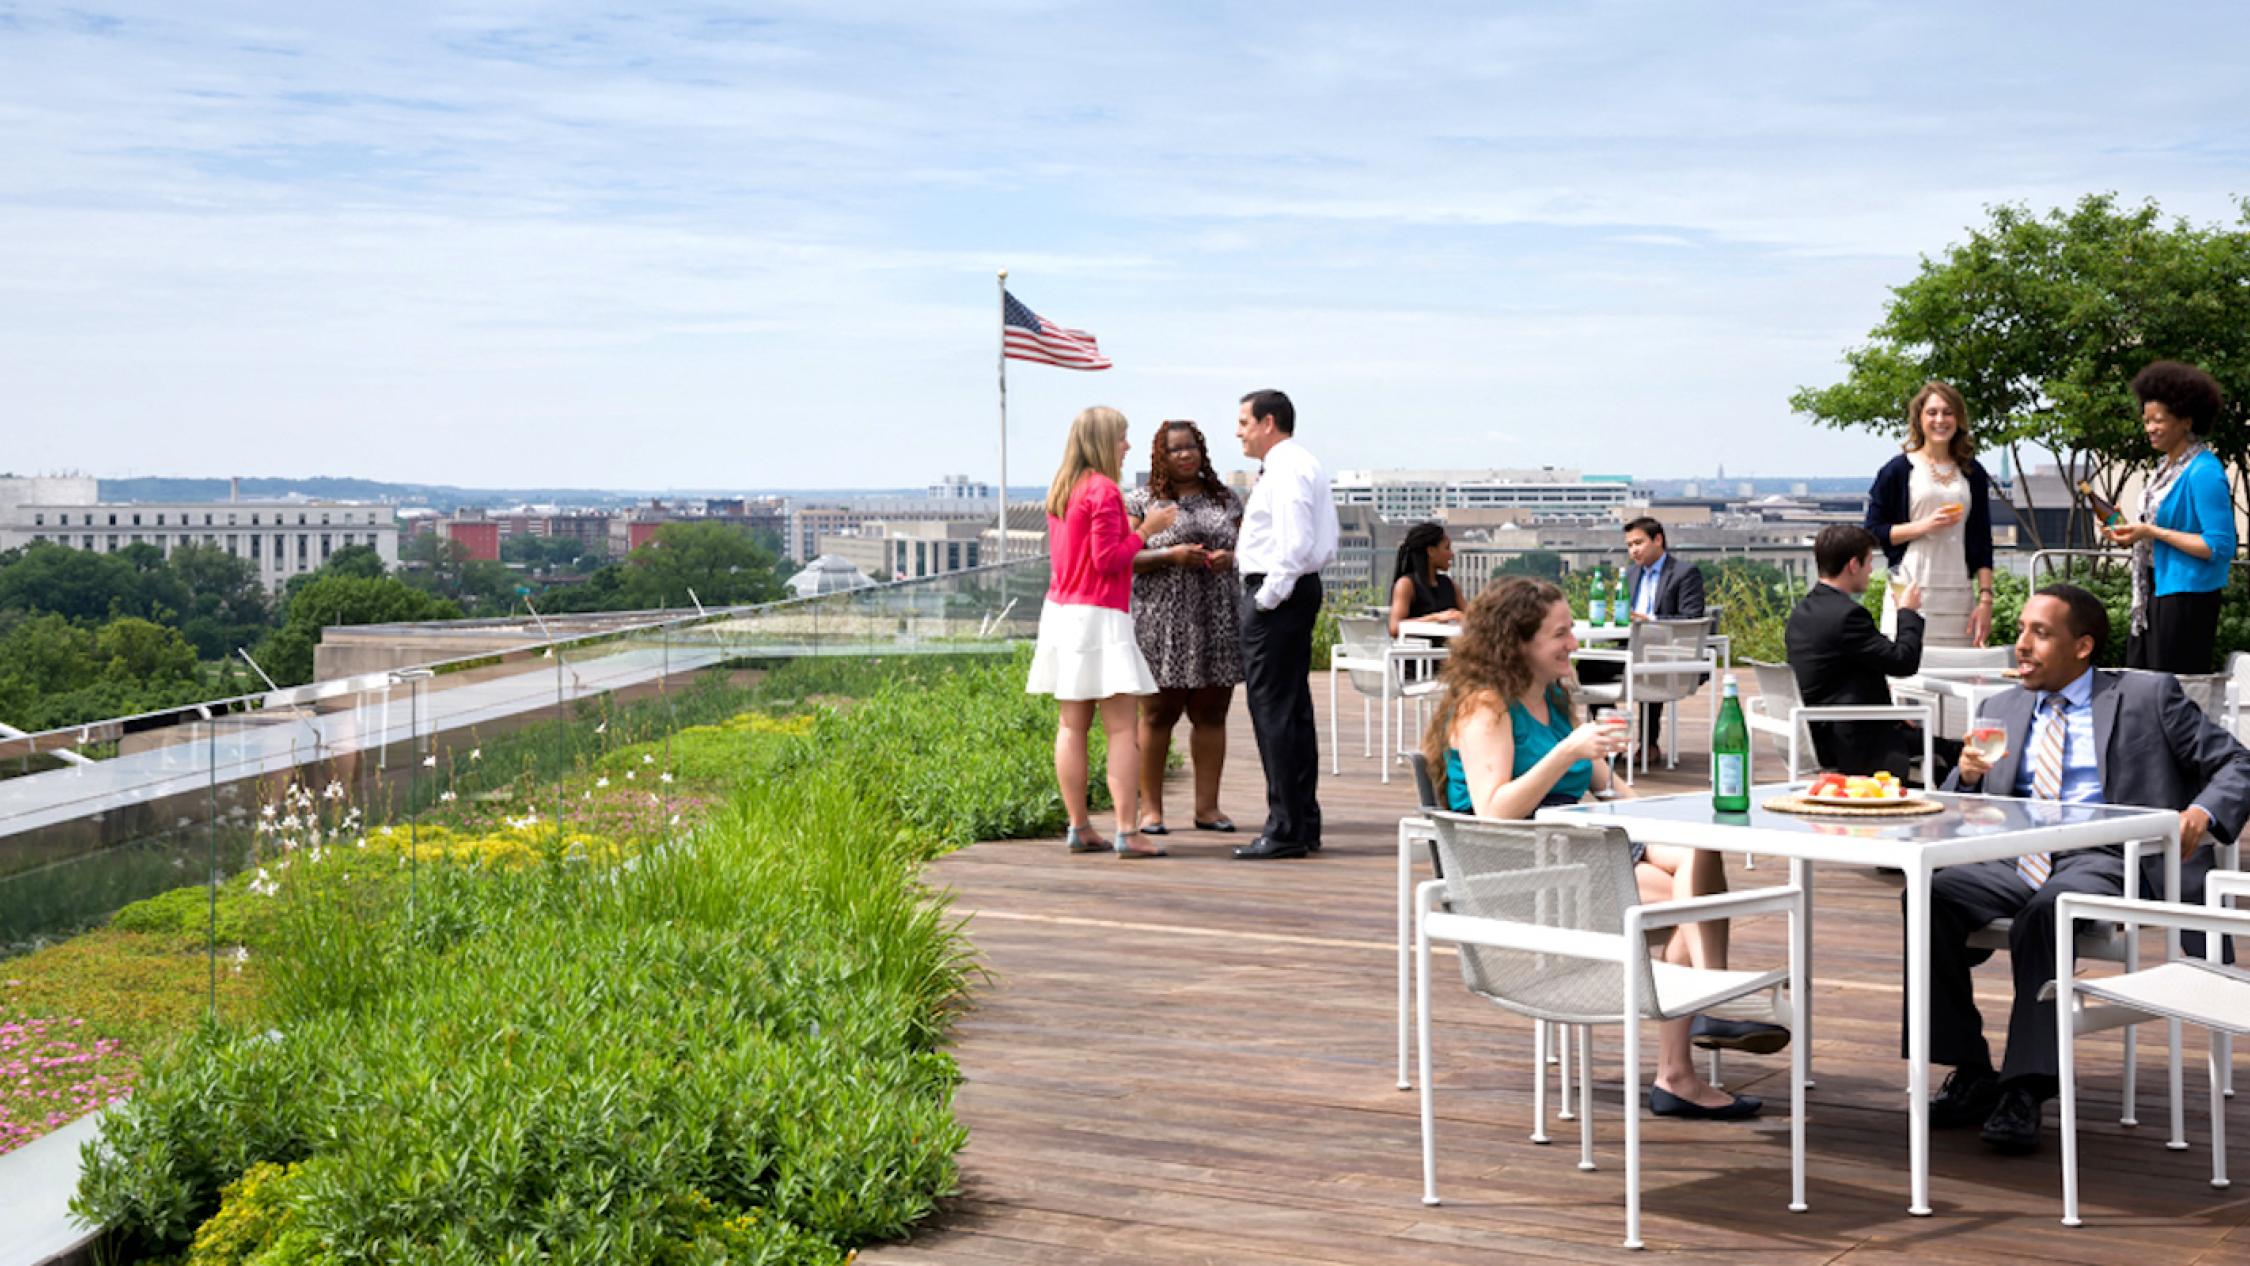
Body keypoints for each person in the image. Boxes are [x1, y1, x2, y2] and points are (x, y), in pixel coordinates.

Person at [1423, 577, 1789, 1119]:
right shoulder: (1486, 707)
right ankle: (1689, 1046)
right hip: (1525, 873)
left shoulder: (1548, 696)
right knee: (1692, 904)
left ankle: (1693, 1035)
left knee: (1698, 859)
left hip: (1578, 858)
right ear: (1517, 640)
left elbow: (1604, 785)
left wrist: (1645, 809)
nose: (1574, 642)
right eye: (1561, 633)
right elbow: (1494, 810)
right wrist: (1568, 748)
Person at [1924, 583, 2250, 1152]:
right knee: (1929, 894)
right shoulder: (2000, 707)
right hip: (2012, 857)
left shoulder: (2148, 696)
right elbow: (1957, 807)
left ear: (2082, 646)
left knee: (2051, 910)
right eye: (2021, 630)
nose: (2021, 645)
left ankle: (2026, 1087)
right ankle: (1972, 1071)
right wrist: (1968, 777)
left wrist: (2201, 811)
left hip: (2106, 858)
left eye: (2039, 633)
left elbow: (2237, 763)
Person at [1025, 406, 1177, 858]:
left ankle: (1079, 826)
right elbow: (1108, 559)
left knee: (1071, 726)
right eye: (1122, 438)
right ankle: (1128, 832)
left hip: (1061, 613)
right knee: (1120, 730)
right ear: (1102, 442)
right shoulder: (1104, 490)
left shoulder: (1063, 489)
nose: (1127, 446)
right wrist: (1147, 530)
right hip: (1101, 615)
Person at [1232, 389, 1339, 861]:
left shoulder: (1287, 468)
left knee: (1274, 711)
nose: (1238, 432)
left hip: (1280, 595)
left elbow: (1296, 542)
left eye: (1243, 422)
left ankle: (1285, 826)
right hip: (1292, 592)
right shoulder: (1298, 464)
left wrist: (1266, 598)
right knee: (1292, 709)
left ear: (1268, 422)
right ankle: (1300, 822)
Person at [1123, 420, 1242, 836]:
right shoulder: (1141, 501)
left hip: (1217, 618)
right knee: (1158, 714)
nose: (1185, 454)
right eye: (1175, 449)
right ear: (1161, 455)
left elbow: (1250, 548)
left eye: (1191, 446)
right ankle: (1151, 811)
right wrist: (1169, 556)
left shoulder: (1226, 500)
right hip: (1162, 621)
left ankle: (1208, 809)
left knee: (1212, 712)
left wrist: (1231, 557)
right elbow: (1123, 558)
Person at [1785, 525, 1954, 779]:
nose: (1871, 570)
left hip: (1825, 731)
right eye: (1868, 563)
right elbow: (1903, 662)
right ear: (1853, 565)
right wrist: (1908, 612)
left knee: (1947, 750)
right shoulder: (1848, 615)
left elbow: (1843, 675)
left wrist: (1889, 713)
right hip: (1854, 741)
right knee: (1956, 755)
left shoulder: (1802, 612)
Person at [2106, 360, 2235, 674]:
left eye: (2158, 420)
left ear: (2186, 421)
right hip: (2153, 592)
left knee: (2174, 693)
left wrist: (2152, 531)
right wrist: (2129, 533)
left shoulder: (2204, 471)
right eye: (2146, 420)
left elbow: (2218, 546)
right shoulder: (2165, 469)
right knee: (2141, 686)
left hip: (2187, 596)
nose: (2150, 428)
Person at [1865, 382, 1997, 648]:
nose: (1940, 420)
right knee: (1905, 674)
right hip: (1909, 588)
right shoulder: (1898, 470)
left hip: (1958, 594)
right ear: (1919, 418)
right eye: (1932, 412)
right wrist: (1924, 525)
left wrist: (1985, 600)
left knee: (1958, 675)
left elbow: (1982, 541)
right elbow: (1873, 532)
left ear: (1958, 419)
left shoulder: (1973, 472)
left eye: (1948, 413)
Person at [1620, 516, 1707, 752]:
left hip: (1669, 649)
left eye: (1638, 543)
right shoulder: (1630, 575)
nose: (1633, 551)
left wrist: (1652, 621)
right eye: (1629, 546)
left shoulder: (1684, 573)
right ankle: (1611, 744)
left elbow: (1692, 618)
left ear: (1657, 540)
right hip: (1631, 646)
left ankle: (1648, 744)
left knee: (1649, 666)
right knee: (1589, 669)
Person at [1386, 522, 1462, 637]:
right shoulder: (1406, 584)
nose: (1451, 554)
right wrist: (1436, 618)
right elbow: (1395, 627)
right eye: (1447, 548)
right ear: (1431, 551)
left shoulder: (1449, 584)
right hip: (1418, 652)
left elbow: (1471, 617)